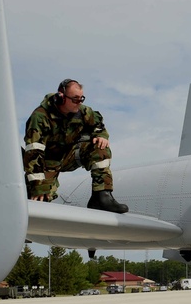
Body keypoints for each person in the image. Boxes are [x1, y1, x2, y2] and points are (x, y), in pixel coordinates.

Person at [23, 78, 129, 213]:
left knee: (100, 148)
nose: (79, 102)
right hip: (46, 162)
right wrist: (37, 186)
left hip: (70, 156)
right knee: (38, 202)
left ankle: (101, 197)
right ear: (61, 97)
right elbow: (33, 152)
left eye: (81, 98)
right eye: (75, 99)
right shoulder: (40, 116)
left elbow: (98, 126)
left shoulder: (83, 112)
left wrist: (101, 136)